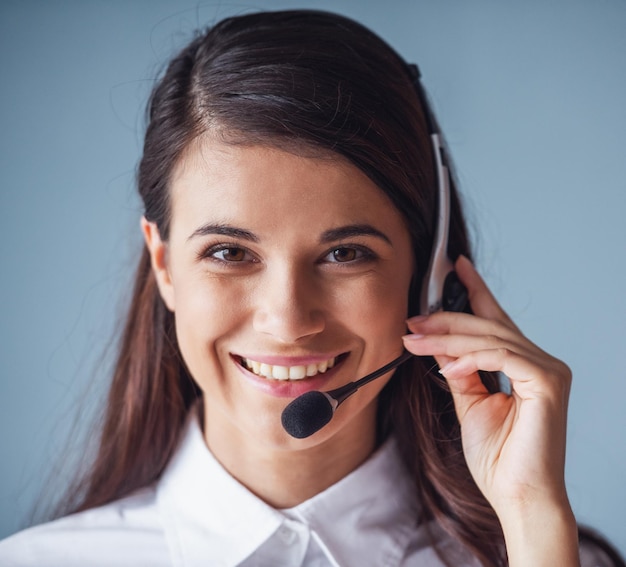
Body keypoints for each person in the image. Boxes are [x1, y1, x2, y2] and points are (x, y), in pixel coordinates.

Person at [0, 9, 623, 567]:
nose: (288, 320)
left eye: (345, 254)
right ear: (164, 265)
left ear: (427, 272)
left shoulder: (549, 554)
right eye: (229, 252)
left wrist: (533, 518)